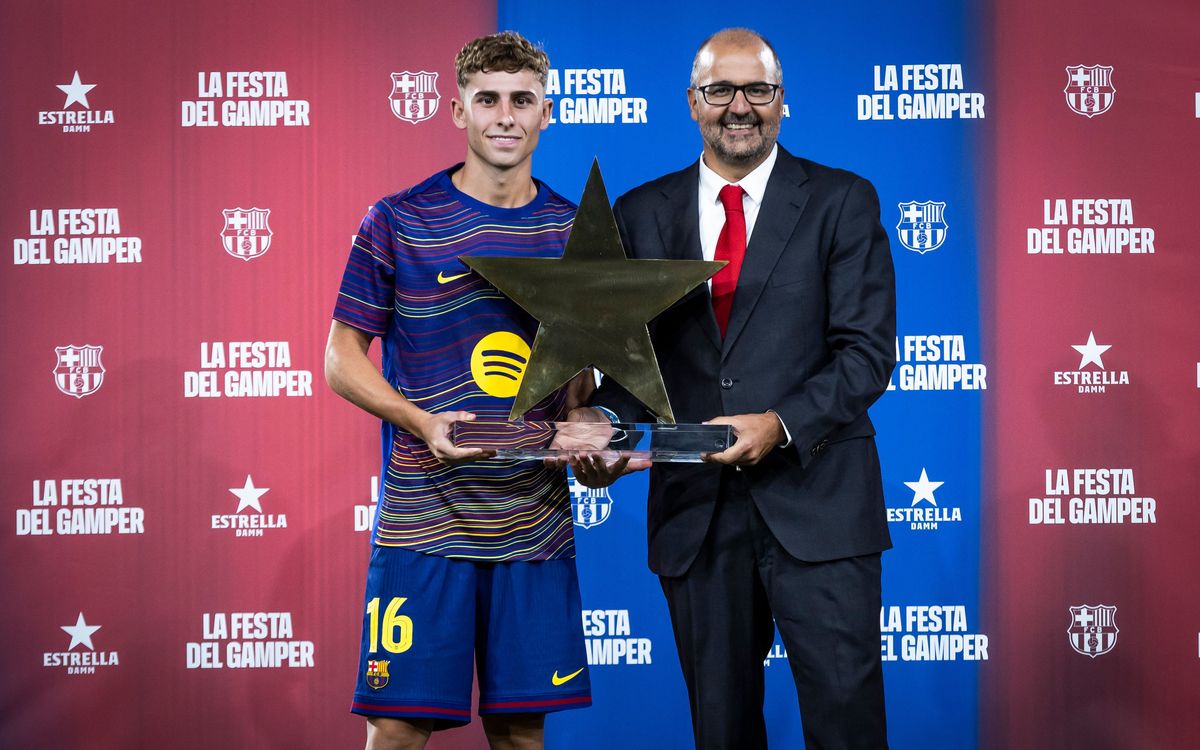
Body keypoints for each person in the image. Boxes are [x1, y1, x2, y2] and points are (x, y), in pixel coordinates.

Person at [570, 27, 896, 750]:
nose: (739, 107)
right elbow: (633, 368)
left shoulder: (843, 201)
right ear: (692, 102)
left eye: (758, 90)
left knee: (848, 727)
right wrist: (602, 426)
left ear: (785, 103)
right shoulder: (641, 212)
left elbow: (867, 354)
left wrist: (778, 423)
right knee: (721, 733)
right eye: (720, 90)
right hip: (698, 519)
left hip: (820, 508)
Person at [325, 31, 594, 750]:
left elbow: (582, 372)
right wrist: (417, 420)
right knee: (398, 732)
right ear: (458, 111)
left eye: (522, 100)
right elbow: (340, 360)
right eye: (487, 100)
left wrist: (584, 422)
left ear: (547, 114)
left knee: (520, 736)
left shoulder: (574, 232)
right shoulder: (399, 220)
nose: (505, 116)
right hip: (424, 522)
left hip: (532, 525)